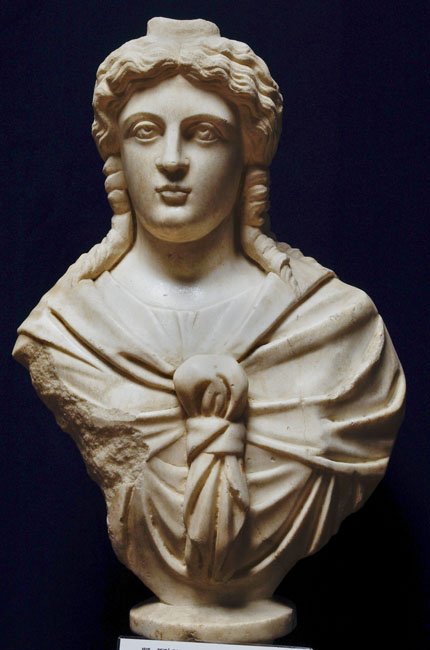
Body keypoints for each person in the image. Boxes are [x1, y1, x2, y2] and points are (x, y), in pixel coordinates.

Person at [13, 17, 405, 634]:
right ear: (116, 155)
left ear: (250, 153)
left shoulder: (338, 331)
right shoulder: (69, 330)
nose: (172, 161)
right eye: (146, 132)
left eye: (204, 134)